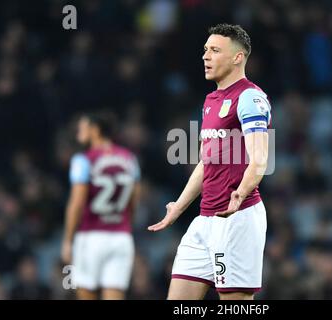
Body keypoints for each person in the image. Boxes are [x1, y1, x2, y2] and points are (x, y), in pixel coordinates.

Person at [148, 23, 272, 300]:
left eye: (215, 50)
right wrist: (179, 207)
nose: (205, 56)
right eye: (205, 50)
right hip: (204, 220)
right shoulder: (211, 100)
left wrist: (240, 193)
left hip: (237, 219)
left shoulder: (250, 97)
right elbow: (208, 162)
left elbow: (260, 159)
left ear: (237, 57)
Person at [61, 112, 141, 300]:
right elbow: (134, 201)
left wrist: (68, 240)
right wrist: (126, 227)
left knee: (86, 294)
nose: (78, 132)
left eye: (82, 128)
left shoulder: (83, 160)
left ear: (95, 130)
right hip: (121, 237)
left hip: (91, 236)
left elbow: (77, 203)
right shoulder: (130, 158)